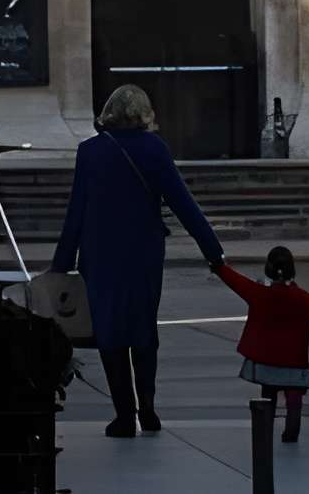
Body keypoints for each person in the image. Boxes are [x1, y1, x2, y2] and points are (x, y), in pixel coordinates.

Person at [50, 83, 225, 438]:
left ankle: (124, 416)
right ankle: (148, 409)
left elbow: (76, 213)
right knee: (143, 327)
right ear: (145, 114)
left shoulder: (89, 152)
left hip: (100, 255)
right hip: (144, 254)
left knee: (110, 331)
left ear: (109, 112)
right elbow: (183, 203)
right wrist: (212, 250)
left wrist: (60, 265)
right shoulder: (155, 150)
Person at [215, 247, 309, 444]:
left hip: (265, 362)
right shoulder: (303, 299)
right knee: (294, 401)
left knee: (268, 395)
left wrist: (218, 266)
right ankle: (291, 435)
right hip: (294, 362)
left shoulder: (259, 294)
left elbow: (235, 280)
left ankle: (265, 433)